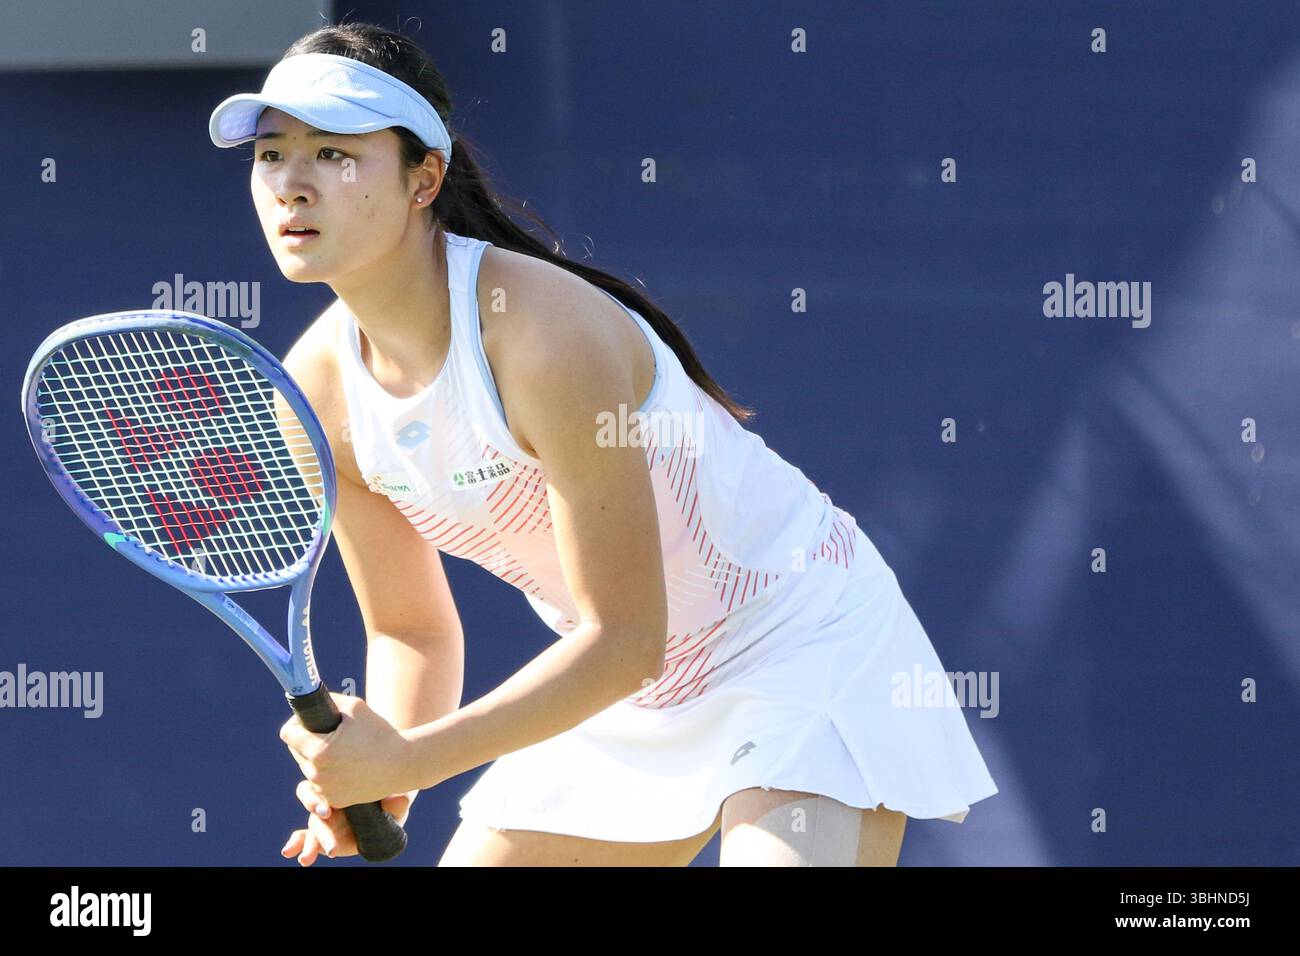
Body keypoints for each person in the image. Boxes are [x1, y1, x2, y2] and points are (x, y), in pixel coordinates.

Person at [207, 21, 997, 866]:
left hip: (797, 642)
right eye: (271, 153)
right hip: (624, 692)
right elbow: (411, 631)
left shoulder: (542, 335)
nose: (291, 183)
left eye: (333, 153)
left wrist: (414, 755)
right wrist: (385, 772)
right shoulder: (316, 395)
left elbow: (624, 638)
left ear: (423, 178)